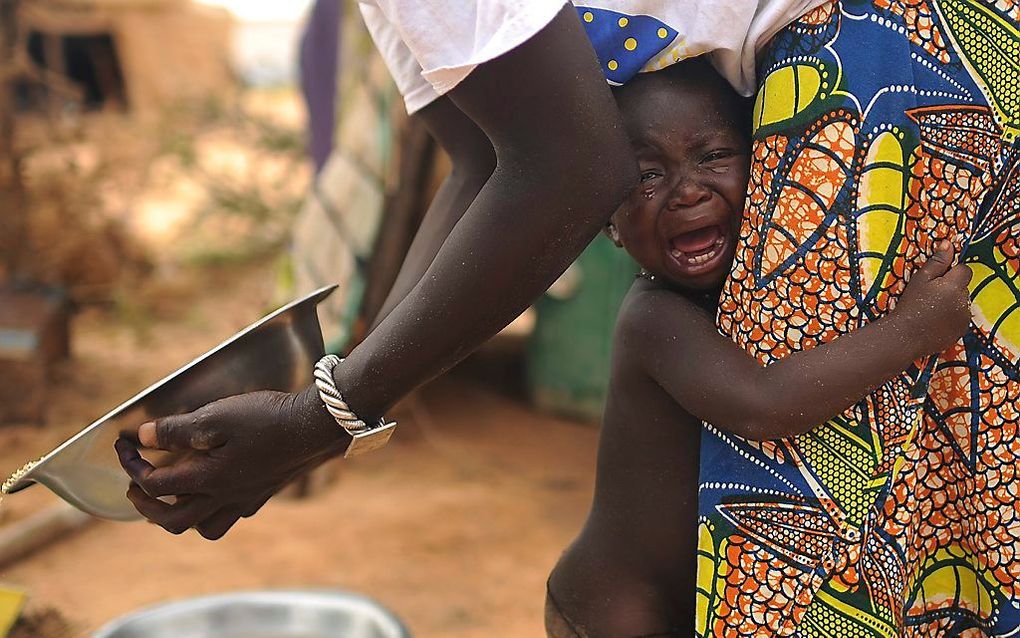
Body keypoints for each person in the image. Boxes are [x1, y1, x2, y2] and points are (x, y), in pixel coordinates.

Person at [114, 0, 831, 539]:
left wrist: (319, 421)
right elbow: (484, 161)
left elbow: (577, 167)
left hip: (858, 66)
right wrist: (335, 401)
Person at [543, 59, 973, 638]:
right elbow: (761, 405)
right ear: (609, 224)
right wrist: (912, 331)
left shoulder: (756, 289)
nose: (687, 190)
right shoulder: (653, 318)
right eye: (648, 175)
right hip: (618, 608)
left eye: (715, 157)